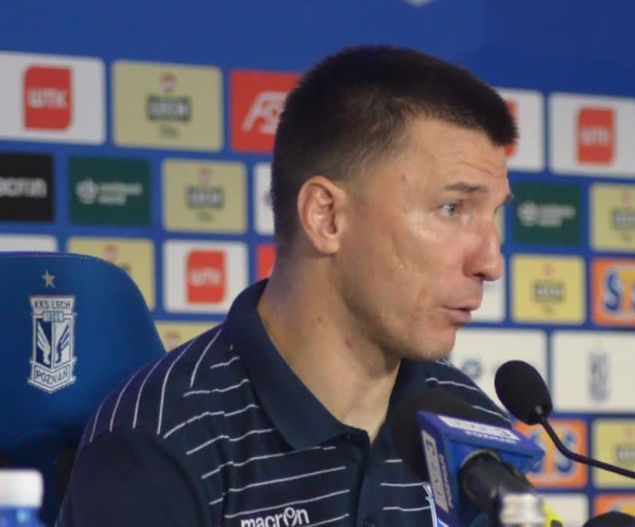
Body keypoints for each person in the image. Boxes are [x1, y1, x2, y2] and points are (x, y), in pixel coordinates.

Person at [58, 45, 516, 527]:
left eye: (494, 215)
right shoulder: (161, 443)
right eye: (452, 209)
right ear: (326, 216)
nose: (490, 263)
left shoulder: (472, 432)